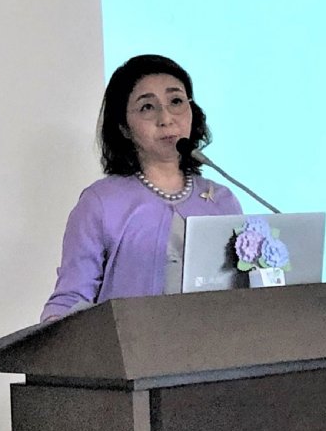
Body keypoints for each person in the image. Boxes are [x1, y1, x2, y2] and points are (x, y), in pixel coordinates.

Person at [40, 54, 242, 321]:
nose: (166, 118)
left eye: (176, 101)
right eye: (147, 107)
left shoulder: (223, 200)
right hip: (132, 345)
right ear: (124, 127)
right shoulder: (101, 202)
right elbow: (71, 298)